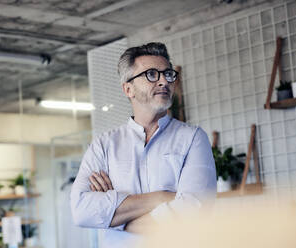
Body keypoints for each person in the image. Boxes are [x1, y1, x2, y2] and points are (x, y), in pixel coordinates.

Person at [70, 42, 216, 247]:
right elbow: (81, 211)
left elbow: (193, 211)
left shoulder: (193, 138)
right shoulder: (103, 145)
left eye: (168, 74)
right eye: (151, 74)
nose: (164, 81)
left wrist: (113, 218)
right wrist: (162, 197)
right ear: (128, 89)